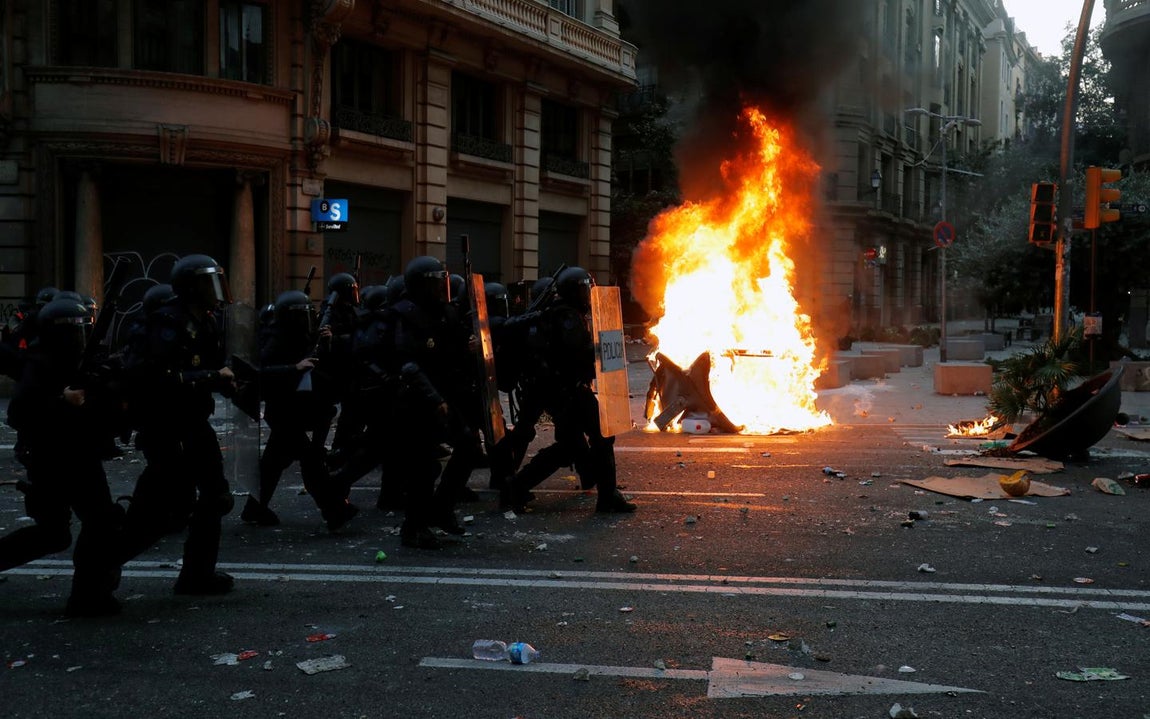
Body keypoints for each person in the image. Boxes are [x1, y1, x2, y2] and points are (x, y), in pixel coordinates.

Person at [117, 253, 238, 595]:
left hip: (194, 424)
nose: (216, 290)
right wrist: (211, 377)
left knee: (216, 497)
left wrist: (229, 382)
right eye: (209, 283)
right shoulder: (166, 324)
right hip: (165, 428)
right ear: (192, 288)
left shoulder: (206, 322)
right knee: (156, 515)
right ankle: (96, 573)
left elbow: (209, 367)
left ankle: (197, 575)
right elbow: (153, 378)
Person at [0, 297, 124, 617]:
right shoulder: (41, 363)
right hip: (53, 459)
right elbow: (19, 412)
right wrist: (60, 399)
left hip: (79, 454)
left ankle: (88, 595)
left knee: (86, 526)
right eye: (73, 332)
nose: (80, 338)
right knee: (61, 532)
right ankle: (88, 597)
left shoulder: (79, 361)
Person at [501, 267, 635, 514]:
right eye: (584, 289)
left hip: (562, 391)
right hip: (570, 391)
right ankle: (607, 496)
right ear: (573, 291)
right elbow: (576, 354)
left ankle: (517, 485)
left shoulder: (561, 313)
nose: (587, 293)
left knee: (569, 446)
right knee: (602, 436)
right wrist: (602, 350)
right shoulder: (568, 317)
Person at [241, 289, 357, 530]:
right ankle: (334, 510)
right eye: (301, 315)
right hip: (284, 413)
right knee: (311, 461)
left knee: (274, 462)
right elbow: (259, 374)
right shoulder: (275, 340)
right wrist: (293, 368)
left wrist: (325, 343)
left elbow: (322, 365)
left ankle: (254, 508)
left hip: (301, 410)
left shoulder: (305, 336)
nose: (307, 320)